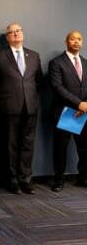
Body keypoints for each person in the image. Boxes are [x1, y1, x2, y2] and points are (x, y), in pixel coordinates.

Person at [0, 23, 42, 195]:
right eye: (11, 32)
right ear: (7, 37)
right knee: (10, 145)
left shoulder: (34, 55)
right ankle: (12, 180)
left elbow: (39, 81)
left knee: (28, 145)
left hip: (31, 107)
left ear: (23, 33)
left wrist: (30, 96)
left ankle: (25, 179)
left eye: (18, 30)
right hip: (8, 107)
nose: (15, 34)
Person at [49, 30, 87, 192]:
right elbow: (57, 87)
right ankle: (59, 180)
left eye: (79, 39)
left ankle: (83, 178)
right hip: (66, 111)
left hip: (84, 111)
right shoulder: (57, 63)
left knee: (85, 148)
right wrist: (79, 104)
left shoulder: (86, 62)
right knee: (61, 148)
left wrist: (85, 105)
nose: (76, 42)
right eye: (73, 39)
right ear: (66, 41)